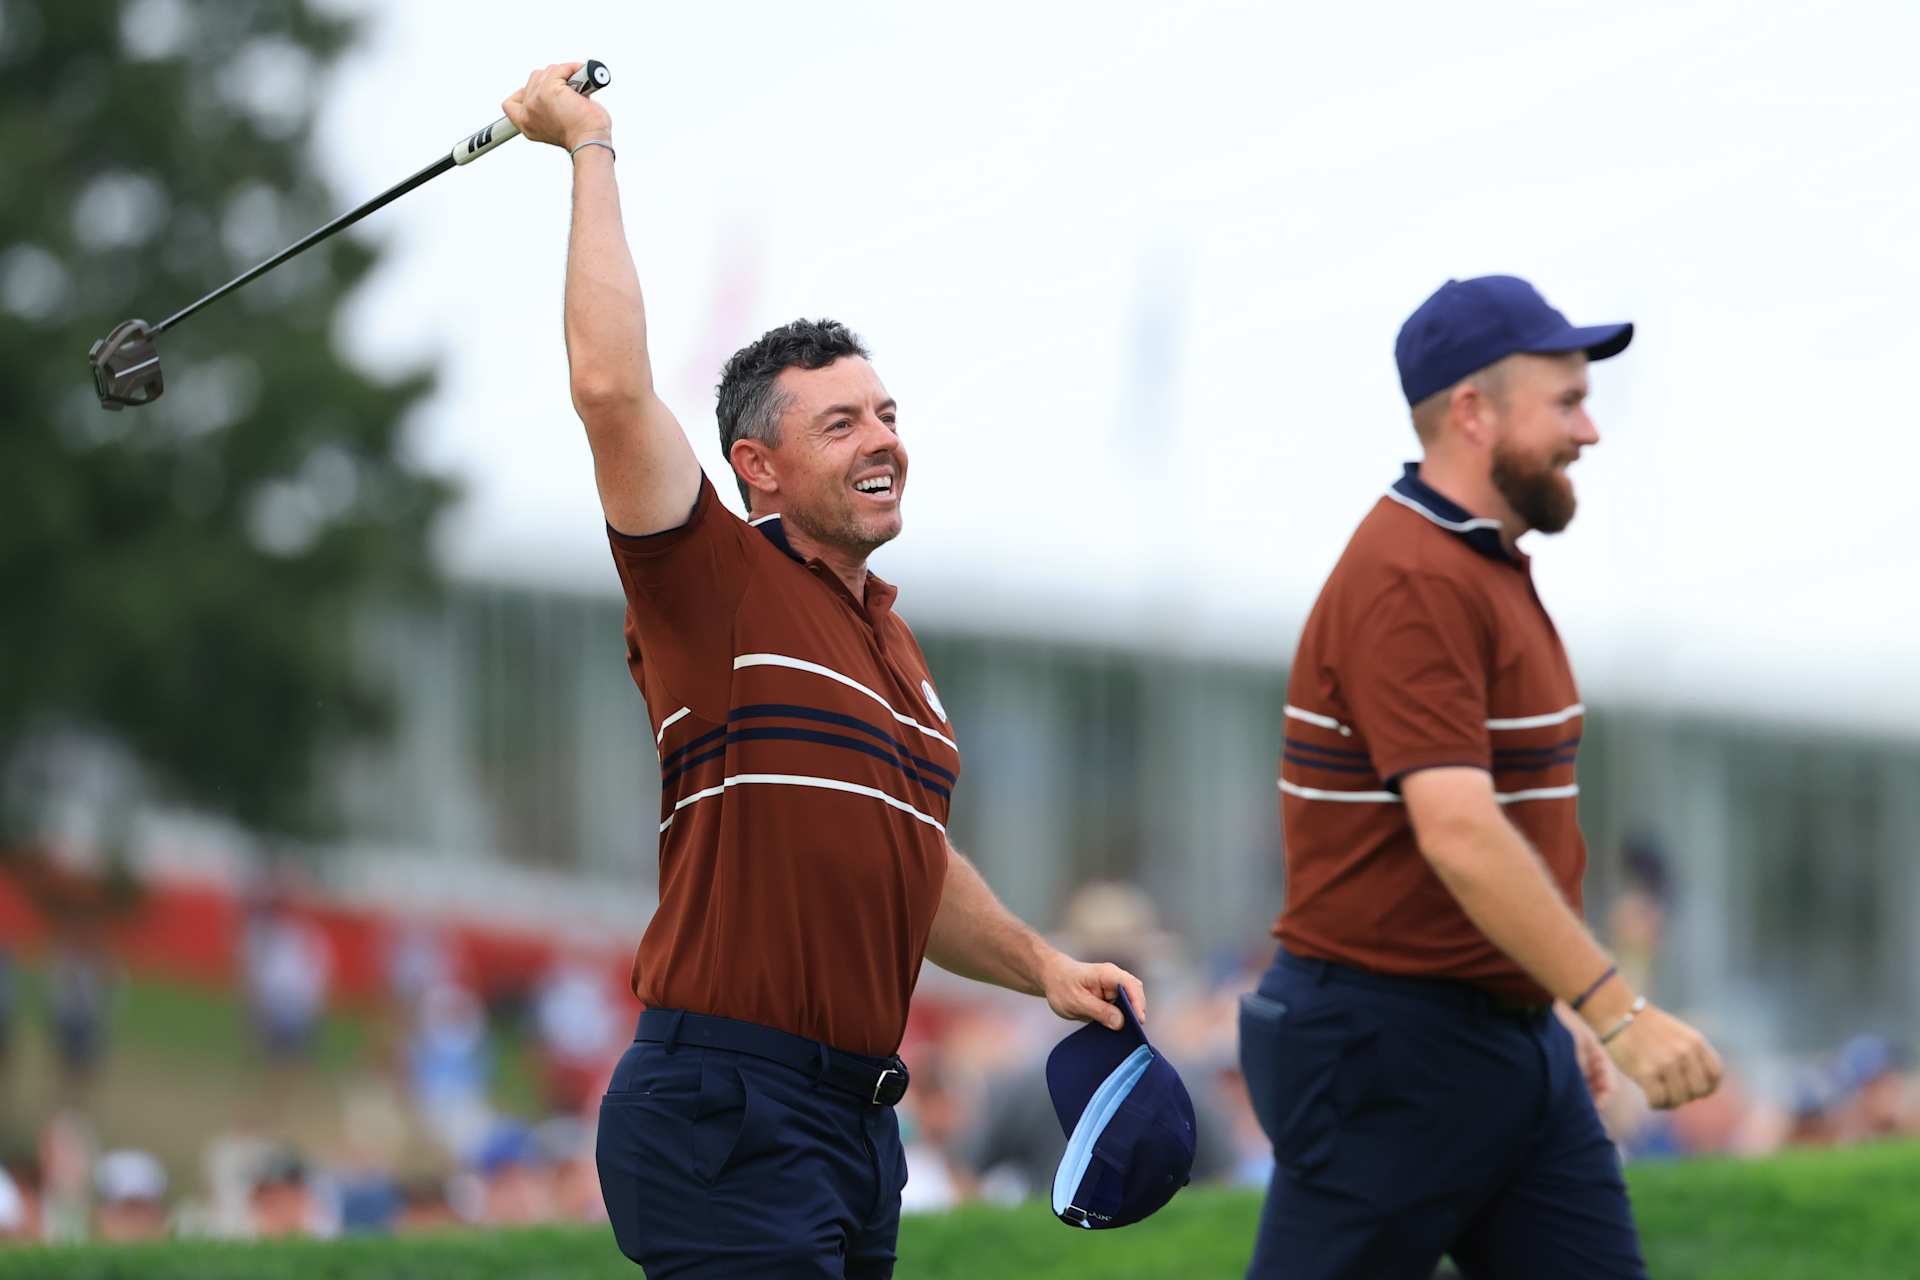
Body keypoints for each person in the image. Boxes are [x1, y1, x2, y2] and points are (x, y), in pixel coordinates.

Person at [499, 63, 1147, 1278]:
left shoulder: (893, 642)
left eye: (888, 412)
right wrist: (588, 147)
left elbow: (908, 858)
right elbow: (606, 387)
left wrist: (1041, 966)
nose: (884, 438)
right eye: (841, 422)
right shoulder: (710, 585)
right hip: (724, 1104)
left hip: (856, 1121)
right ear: (757, 466)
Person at [1240, 275, 1724, 1279]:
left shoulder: (1480, 561)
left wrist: (1547, 1001)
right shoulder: (1413, 577)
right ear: (1472, 411)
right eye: (1565, 402)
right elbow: (1459, 830)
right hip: (1387, 1046)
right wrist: (1616, 1009)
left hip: (1501, 1032)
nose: (1588, 430)